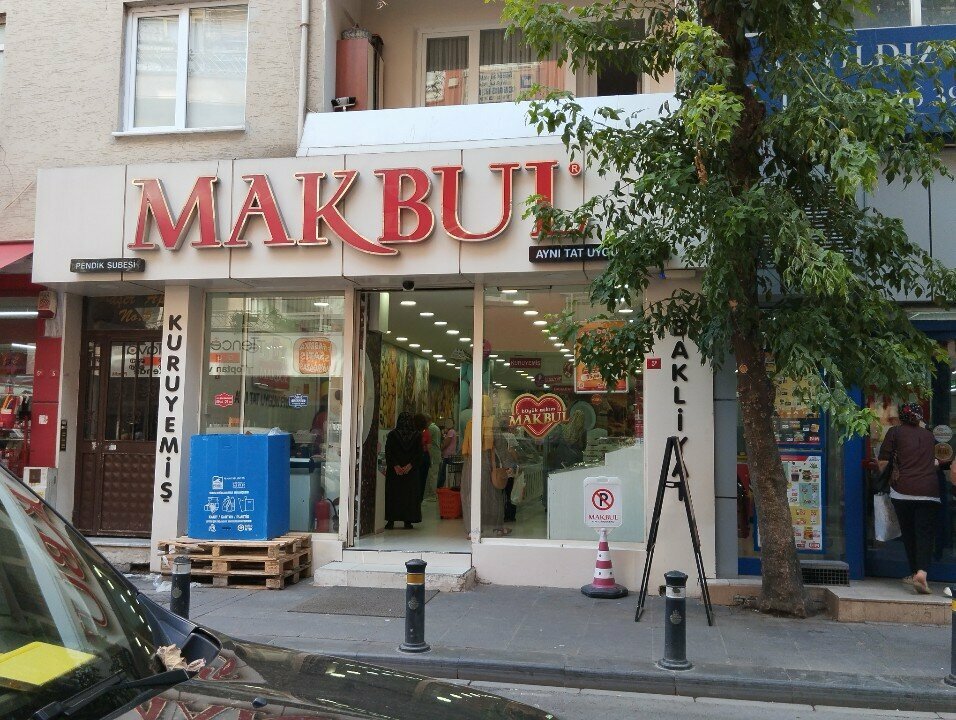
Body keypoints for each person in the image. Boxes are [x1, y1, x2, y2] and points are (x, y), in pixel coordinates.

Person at [877, 402, 941, 594]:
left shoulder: (895, 432)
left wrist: (884, 475)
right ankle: (922, 572)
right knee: (924, 534)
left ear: (901, 416)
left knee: (909, 533)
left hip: (902, 491)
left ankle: (914, 572)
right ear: (919, 417)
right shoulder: (929, 435)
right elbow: (936, 461)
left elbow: (883, 462)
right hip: (929, 492)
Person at [384, 412, 423, 530]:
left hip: (395, 472)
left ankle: (391, 520)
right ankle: (408, 520)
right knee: (409, 496)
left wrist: (395, 465)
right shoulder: (417, 435)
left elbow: (388, 452)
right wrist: (410, 465)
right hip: (410, 472)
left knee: (393, 495)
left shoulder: (392, 435)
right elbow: (419, 453)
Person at [426, 416, 442, 498]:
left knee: (432, 475)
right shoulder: (436, 428)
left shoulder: (431, 428)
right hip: (436, 453)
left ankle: (432, 493)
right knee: (434, 474)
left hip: (433, 454)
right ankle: (432, 493)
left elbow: (425, 440)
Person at [439, 418, 457, 488]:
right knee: (446, 472)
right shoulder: (451, 432)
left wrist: (440, 449)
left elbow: (446, 443)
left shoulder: (451, 432)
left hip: (448, 455)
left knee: (444, 472)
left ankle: (441, 487)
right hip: (449, 454)